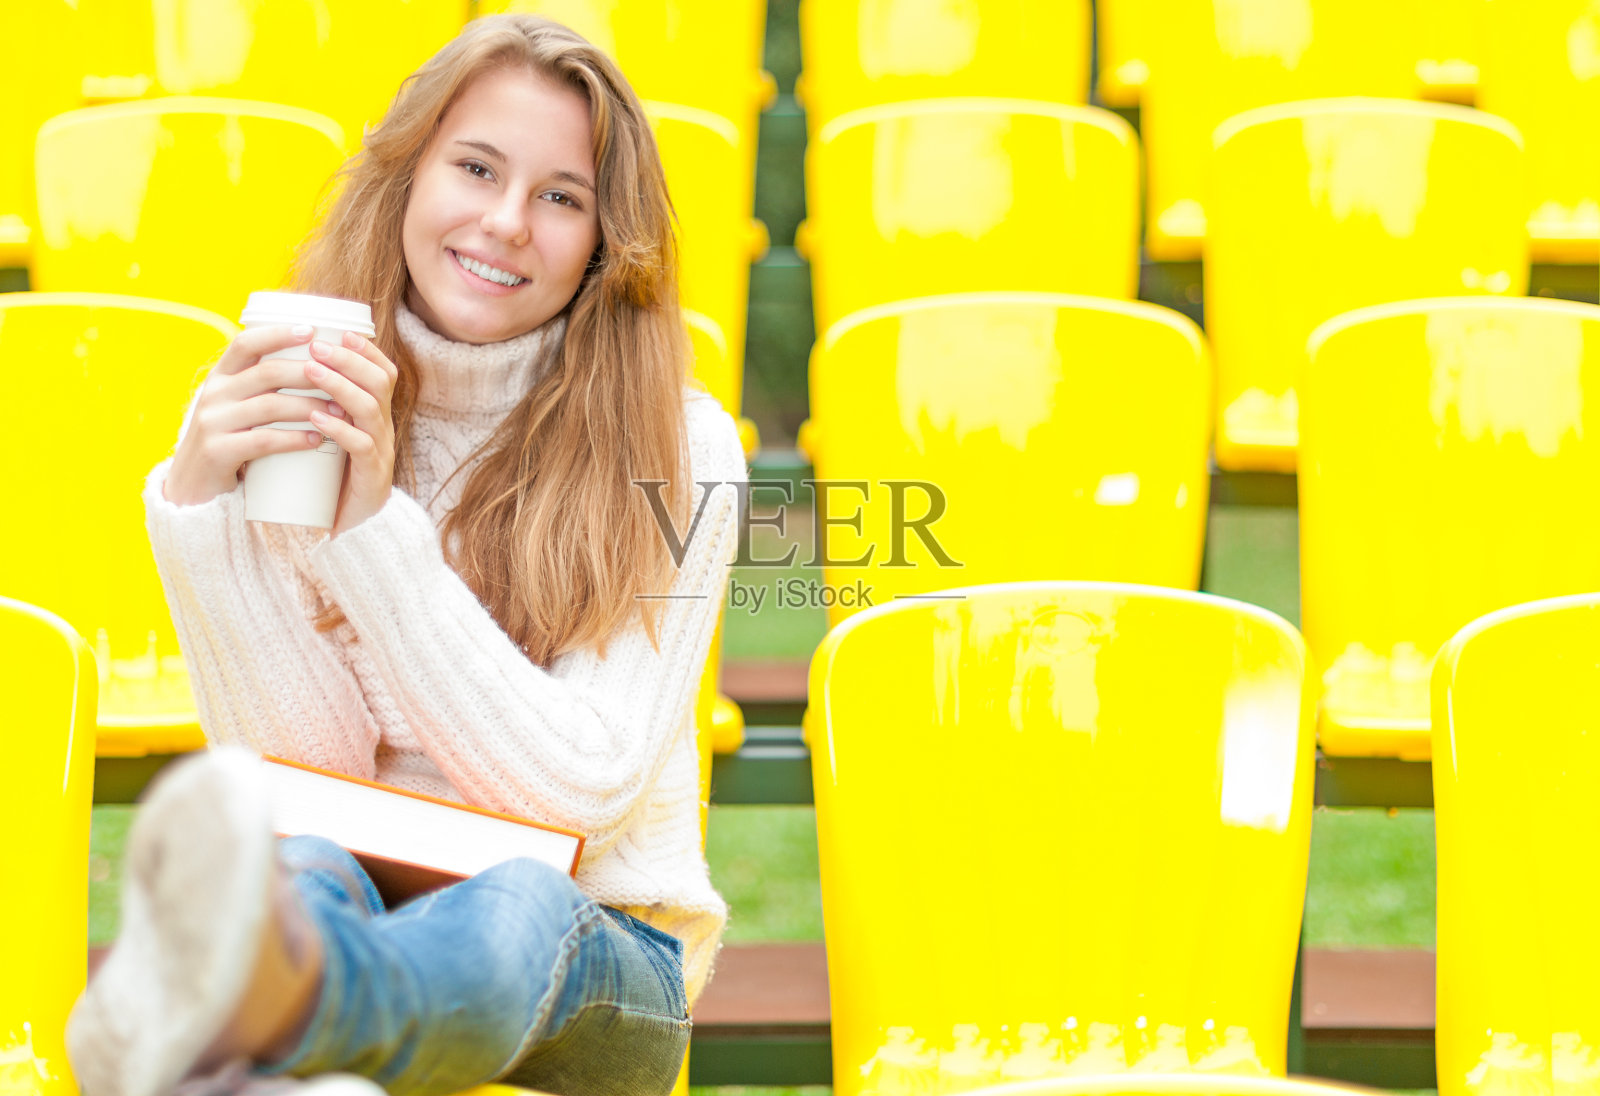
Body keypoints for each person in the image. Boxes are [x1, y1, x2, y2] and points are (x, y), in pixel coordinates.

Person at [67, 14, 745, 1096]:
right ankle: (305, 1064)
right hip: (366, 893)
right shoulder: (304, 390)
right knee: (295, 865)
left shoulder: (683, 445)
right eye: (475, 167)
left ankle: (279, 1020)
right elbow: (313, 776)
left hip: (598, 955)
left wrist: (374, 528)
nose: (506, 221)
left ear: (608, 240)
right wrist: (201, 518)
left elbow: (577, 797)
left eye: (561, 196)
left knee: (516, 894)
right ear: (407, 176)